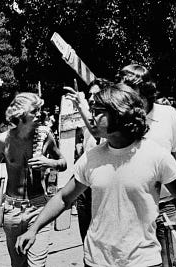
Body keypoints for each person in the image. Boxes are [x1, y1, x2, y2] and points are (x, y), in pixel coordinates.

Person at [16, 83, 176, 267]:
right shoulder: (91, 157)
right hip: (96, 261)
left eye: (98, 110)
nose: (92, 116)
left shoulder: (156, 155)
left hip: (143, 261)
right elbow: (64, 198)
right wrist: (34, 229)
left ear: (120, 114)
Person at [117, 64, 176, 267]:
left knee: (170, 261)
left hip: (165, 206)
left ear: (145, 91)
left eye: (130, 93)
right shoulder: (120, 119)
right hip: (129, 209)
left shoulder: (168, 115)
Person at [0, 92, 67, 267]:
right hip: (12, 210)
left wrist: (49, 162)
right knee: (18, 264)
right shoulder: (2, 141)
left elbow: (63, 163)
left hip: (38, 207)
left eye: (40, 110)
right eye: (35, 111)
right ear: (21, 114)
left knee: (36, 265)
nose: (40, 114)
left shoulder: (45, 136)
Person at [64, 78, 113, 241]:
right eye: (90, 95)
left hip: (104, 189)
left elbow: (96, 131)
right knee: (87, 238)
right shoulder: (86, 126)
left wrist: (81, 105)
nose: (92, 99)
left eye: (96, 95)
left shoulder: (108, 123)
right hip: (85, 189)